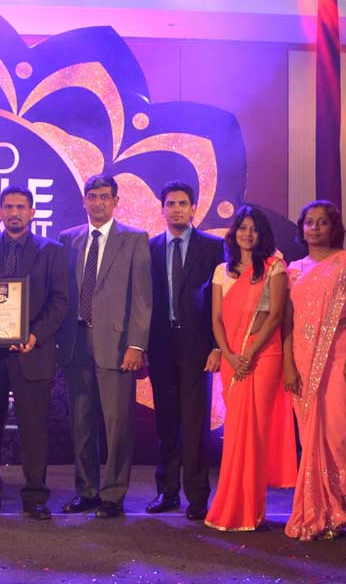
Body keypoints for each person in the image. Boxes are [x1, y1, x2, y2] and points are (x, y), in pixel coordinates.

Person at [0, 185, 69, 520]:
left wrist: (35, 335)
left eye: (21, 207)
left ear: (32, 212)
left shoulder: (52, 251)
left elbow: (60, 302)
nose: (14, 213)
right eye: (8, 207)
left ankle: (35, 496)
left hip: (32, 352)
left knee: (34, 430)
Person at [56, 175, 152, 518]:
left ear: (115, 201)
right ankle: (86, 491)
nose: (98, 202)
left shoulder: (134, 239)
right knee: (82, 425)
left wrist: (136, 345)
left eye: (104, 197)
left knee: (117, 426)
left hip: (117, 345)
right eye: (92, 196)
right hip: (75, 343)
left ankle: (113, 495)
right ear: (84, 200)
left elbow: (142, 297)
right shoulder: (68, 239)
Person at [283, 200, 346, 541]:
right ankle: (314, 508)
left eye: (322, 222)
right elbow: (287, 323)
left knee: (338, 436)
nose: (315, 227)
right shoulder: (293, 270)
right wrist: (288, 365)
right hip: (303, 362)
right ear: (302, 227)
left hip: (340, 359)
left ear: (334, 227)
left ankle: (338, 512)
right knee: (310, 438)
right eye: (309, 222)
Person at [205, 205, 296, 531]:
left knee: (255, 433)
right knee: (235, 434)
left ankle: (251, 509)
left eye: (253, 228)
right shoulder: (222, 271)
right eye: (242, 228)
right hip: (234, 359)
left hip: (265, 356)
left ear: (262, 234)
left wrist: (250, 353)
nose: (247, 233)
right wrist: (230, 356)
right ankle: (231, 504)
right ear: (234, 233)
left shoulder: (274, 267)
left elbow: (276, 316)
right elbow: (216, 320)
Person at [145, 181, 224, 520]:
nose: (176, 209)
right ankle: (167, 492)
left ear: (193, 208)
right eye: (170, 203)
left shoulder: (214, 247)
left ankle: (197, 496)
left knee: (194, 425)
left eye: (182, 203)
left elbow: (222, 302)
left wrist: (217, 345)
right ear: (162, 209)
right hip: (160, 345)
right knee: (166, 423)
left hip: (197, 347)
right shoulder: (149, 247)